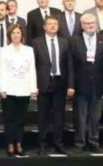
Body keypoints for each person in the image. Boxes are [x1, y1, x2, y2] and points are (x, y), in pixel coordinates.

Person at [32, 16, 74, 155]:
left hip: (60, 83)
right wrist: (33, 85)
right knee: (42, 117)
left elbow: (69, 65)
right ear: (44, 27)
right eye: (49, 24)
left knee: (59, 117)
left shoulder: (64, 42)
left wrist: (71, 85)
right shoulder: (36, 42)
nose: (53, 26)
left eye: (55, 23)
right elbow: (33, 66)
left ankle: (58, 144)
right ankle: (42, 145)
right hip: (43, 83)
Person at [70, 14, 103, 152]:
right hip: (80, 84)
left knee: (95, 116)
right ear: (82, 25)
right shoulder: (74, 40)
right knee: (80, 117)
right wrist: (71, 85)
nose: (90, 25)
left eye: (93, 23)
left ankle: (94, 142)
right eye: (87, 23)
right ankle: (79, 143)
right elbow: (70, 65)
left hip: (98, 85)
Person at [0, 23, 36, 157]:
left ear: (22, 35)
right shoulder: (4, 50)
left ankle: (18, 143)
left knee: (20, 119)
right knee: (9, 119)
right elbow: (1, 70)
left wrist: (33, 88)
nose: (15, 35)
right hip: (9, 89)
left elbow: (32, 70)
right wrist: (2, 89)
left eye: (18, 32)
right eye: (13, 33)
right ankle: (10, 144)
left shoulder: (29, 50)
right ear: (9, 35)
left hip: (24, 88)